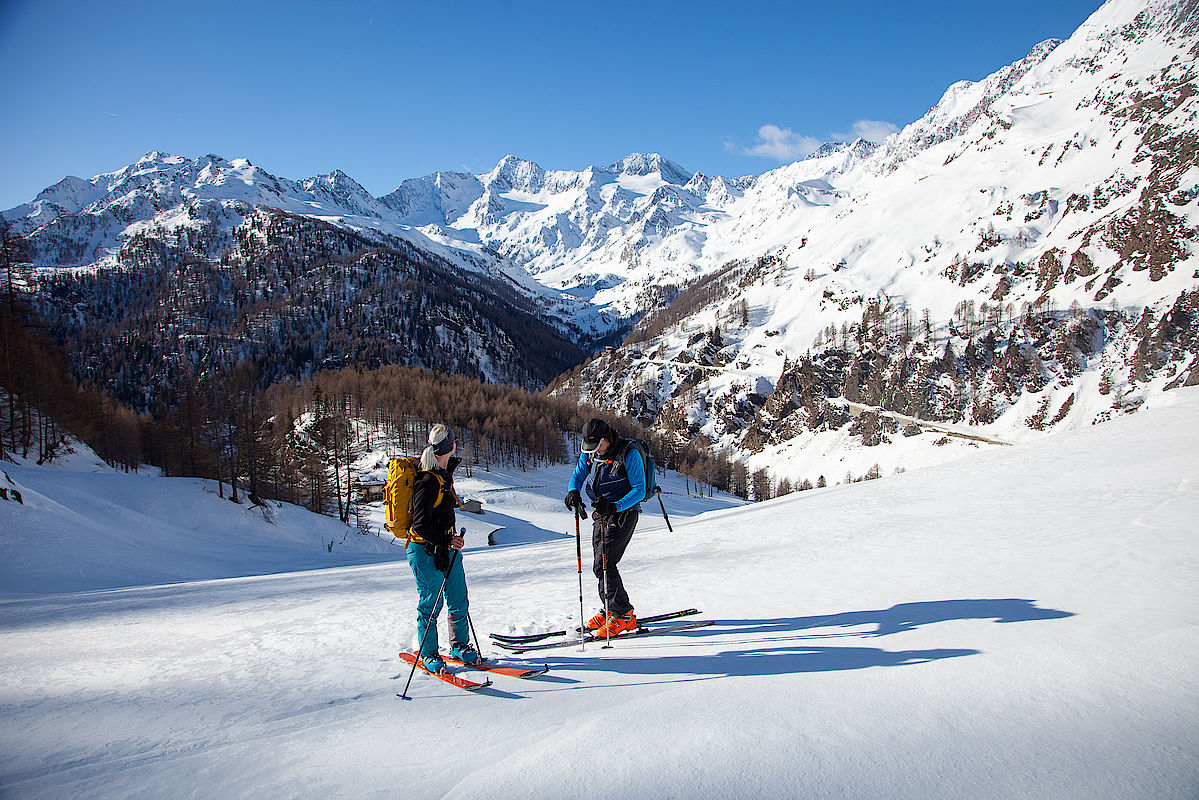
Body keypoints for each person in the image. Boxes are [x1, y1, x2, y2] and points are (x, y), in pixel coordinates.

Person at [563, 417, 646, 638]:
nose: (595, 452)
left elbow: (639, 489)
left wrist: (615, 506)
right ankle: (611, 608)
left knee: (605, 565)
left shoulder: (629, 454)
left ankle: (622, 615)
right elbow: (579, 474)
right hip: (602, 514)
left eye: (598, 446)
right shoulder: (591, 452)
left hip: (623, 515)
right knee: (600, 565)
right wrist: (573, 491)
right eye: (590, 448)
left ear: (607, 439)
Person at [406, 423, 479, 673]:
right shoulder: (427, 480)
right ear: (451, 446)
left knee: (458, 598)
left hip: (446, 548)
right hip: (425, 550)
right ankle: (428, 653)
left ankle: (460, 645)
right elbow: (420, 524)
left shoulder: (443, 476)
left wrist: (448, 542)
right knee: (431, 603)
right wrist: (444, 541)